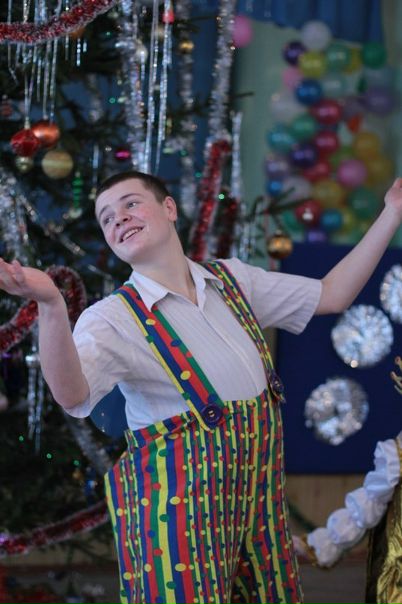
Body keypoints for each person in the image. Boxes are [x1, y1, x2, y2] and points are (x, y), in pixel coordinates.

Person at [1, 171, 402, 604]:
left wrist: (392, 211)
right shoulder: (111, 318)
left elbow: (332, 294)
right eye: (107, 218)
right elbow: (71, 395)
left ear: (169, 208)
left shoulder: (233, 281)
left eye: (131, 204)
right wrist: (51, 305)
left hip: (257, 509)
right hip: (177, 522)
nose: (119, 219)